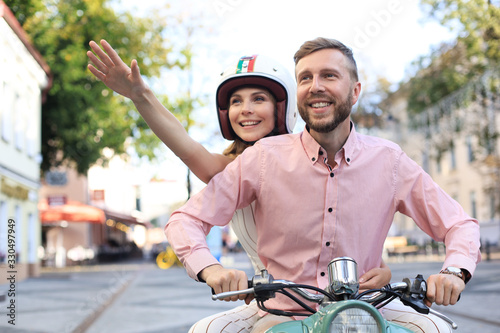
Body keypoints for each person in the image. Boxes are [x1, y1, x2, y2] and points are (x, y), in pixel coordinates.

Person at [165, 37, 481, 333]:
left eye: (329, 76)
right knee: (204, 331)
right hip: (281, 313)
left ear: (355, 91)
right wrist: (213, 270)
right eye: (305, 78)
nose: (315, 87)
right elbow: (186, 219)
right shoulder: (262, 158)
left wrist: (453, 272)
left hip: (368, 309)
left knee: (436, 328)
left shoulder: (390, 161)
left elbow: (459, 224)